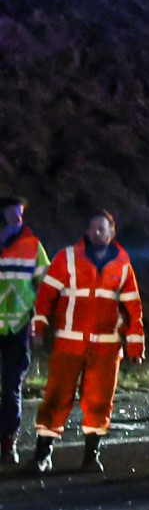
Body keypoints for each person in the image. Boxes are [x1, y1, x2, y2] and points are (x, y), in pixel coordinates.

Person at [30, 211, 144, 473]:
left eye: (102, 228)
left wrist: (135, 345)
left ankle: (91, 456)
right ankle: (42, 455)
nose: (95, 232)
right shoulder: (67, 257)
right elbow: (46, 294)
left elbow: (132, 308)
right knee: (56, 398)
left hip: (106, 346)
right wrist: (39, 327)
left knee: (100, 401)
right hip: (69, 342)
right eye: (92, 227)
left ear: (112, 233)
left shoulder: (122, 264)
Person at [0, 197, 49, 464]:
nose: (19, 218)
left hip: (18, 324)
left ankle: (8, 442)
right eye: (13, 214)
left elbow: (46, 285)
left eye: (20, 214)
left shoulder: (33, 246)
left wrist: (38, 321)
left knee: (11, 386)